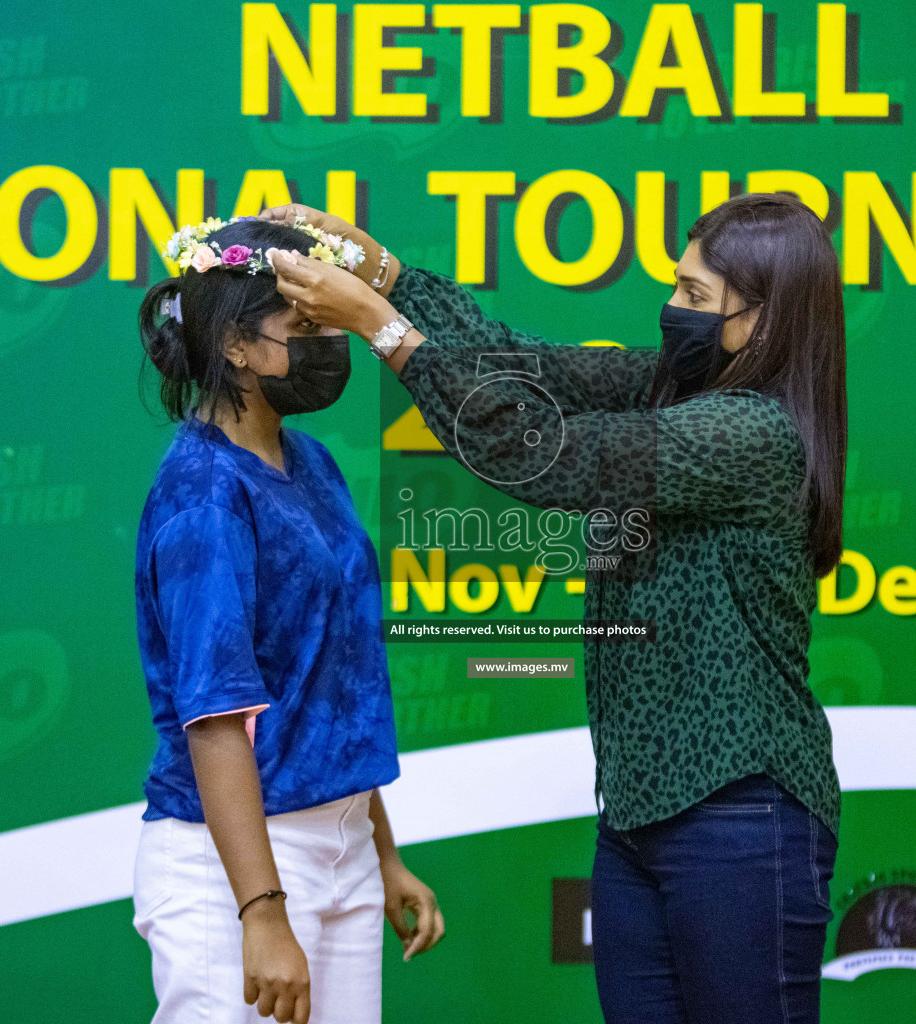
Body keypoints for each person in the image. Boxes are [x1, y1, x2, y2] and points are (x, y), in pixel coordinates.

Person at [259, 192, 847, 1024]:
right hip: (637, 822)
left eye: (693, 296)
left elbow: (542, 456)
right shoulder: (664, 385)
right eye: (675, 286)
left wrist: (382, 329)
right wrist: (385, 274)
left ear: (763, 320)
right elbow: (513, 364)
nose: (669, 309)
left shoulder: (751, 435)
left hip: (739, 816)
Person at [131, 215, 444, 1024]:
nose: (325, 343)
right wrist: (262, 914)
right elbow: (214, 719)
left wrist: (381, 852)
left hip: (341, 853)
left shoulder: (310, 461)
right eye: (301, 327)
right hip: (230, 873)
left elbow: (326, 683)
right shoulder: (203, 494)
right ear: (235, 345)